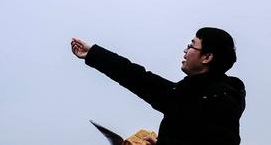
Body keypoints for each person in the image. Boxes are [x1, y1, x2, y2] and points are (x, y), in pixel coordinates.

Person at [71, 27, 246, 145]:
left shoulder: (223, 98)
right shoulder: (182, 93)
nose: (185, 50)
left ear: (207, 57)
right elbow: (137, 77)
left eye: (191, 45)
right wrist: (92, 53)